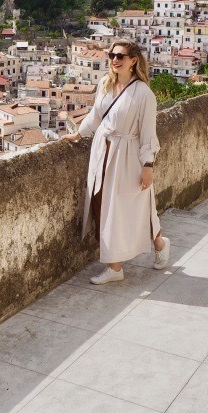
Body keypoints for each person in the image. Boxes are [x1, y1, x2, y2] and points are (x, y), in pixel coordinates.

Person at [63, 39, 169, 284]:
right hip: (103, 150)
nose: (115, 60)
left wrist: (148, 166)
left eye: (121, 56)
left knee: (137, 206)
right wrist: (78, 134)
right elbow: (96, 115)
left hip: (128, 155)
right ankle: (115, 267)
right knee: (104, 204)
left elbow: (148, 134)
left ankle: (160, 244)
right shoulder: (105, 84)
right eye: (112, 56)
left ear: (134, 61)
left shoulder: (144, 94)